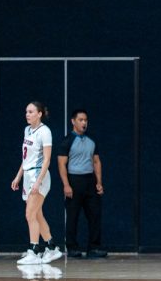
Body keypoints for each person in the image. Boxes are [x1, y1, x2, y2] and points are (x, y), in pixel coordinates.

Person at [11, 101, 63, 265]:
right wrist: (18, 176)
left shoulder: (45, 132)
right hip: (27, 174)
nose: (27, 114)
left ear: (39, 114)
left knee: (30, 214)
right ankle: (52, 247)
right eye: (26, 111)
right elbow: (25, 158)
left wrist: (38, 181)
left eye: (31, 111)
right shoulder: (27, 130)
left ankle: (33, 250)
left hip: (39, 175)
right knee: (37, 214)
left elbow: (47, 159)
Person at [56, 109, 106, 259]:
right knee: (72, 216)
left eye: (85, 120)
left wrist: (99, 182)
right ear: (73, 121)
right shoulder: (67, 141)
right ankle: (72, 248)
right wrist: (66, 185)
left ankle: (94, 248)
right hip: (74, 180)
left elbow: (96, 161)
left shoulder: (92, 140)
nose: (84, 123)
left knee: (95, 215)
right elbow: (61, 164)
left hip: (89, 181)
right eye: (81, 120)